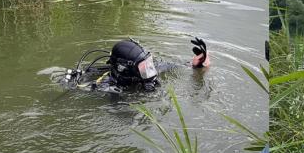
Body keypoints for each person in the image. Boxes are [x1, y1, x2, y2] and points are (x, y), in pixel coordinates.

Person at [62, 37, 209, 93]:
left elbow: (169, 66)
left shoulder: (145, 68)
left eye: (149, 64)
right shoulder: (109, 87)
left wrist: (195, 64)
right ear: (125, 69)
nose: (149, 70)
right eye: (144, 67)